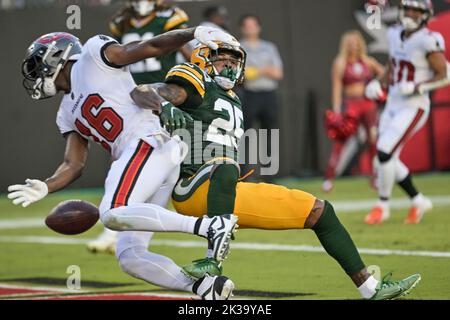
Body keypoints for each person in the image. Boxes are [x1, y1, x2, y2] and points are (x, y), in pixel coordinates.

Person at [131, 41, 422, 300]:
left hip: (225, 189)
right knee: (226, 165)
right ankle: (212, 260)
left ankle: (370, 289)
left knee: (320, 211)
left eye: (234, 62)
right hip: (193, 187)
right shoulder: (196, 83)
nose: (230, 67)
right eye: (223, 61)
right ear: (204, 60)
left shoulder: (233, 98)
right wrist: (164, 108)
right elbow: (143, 91)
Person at [7, 27, 241, 300]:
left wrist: (191, 32)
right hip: (149, 157)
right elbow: (73, 164)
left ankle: (208, 227)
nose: (35, 74)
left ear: (56, 54)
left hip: (148, 140)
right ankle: (204, 288)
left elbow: (150, 46)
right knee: (130, 256)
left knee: (112, 212)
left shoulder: (93, 55)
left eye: (38, 65)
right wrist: (46, 187)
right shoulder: (65, 113)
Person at [88, 0, 192, 254]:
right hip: (131, 100)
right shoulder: (120, 21)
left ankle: (125, 233)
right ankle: (120, 232)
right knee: (129, 165)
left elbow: (188, 50)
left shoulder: (171, 17)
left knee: (155, 168)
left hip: (162, 94)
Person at [364, 0, 449, 224]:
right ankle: (418, 200)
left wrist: (418, 86)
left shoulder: (428, 40)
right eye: (408, 8)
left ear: (425, 14)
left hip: (414, 105)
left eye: (416, 10)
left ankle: (382, 206)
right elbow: (394, 65)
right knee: (382, 160)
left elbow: (445, 75)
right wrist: (379, 82)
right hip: (393, 102)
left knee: (384, 152)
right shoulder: (393, 33)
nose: (410, 13)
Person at [323, 30, 385, 192]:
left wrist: (377, 86)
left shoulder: (368, 61)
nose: (353, 46)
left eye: (356, 43)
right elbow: (336, 87)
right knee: (340, 141)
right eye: (350, 43)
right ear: (345, 45)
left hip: (368, 104)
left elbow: (385, 74)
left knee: (373, 140)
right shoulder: (340, 63)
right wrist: (336, 109)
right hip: (351, 105)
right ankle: (329, 178)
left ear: (360, 44)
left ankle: (376, 177)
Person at [239, 14, 283, 181]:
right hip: (249, 95)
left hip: (268, 94)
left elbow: (278, 73)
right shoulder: (239, 47)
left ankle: (270, 176)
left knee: (269, 135)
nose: (251, 29)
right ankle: (245, 175)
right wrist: (265, 69)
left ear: (259, 27)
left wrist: (257, 71)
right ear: (243, 28)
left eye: (253, 25)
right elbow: (242, 75)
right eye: (247, 26)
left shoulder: (269, 47)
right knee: (246, 135)